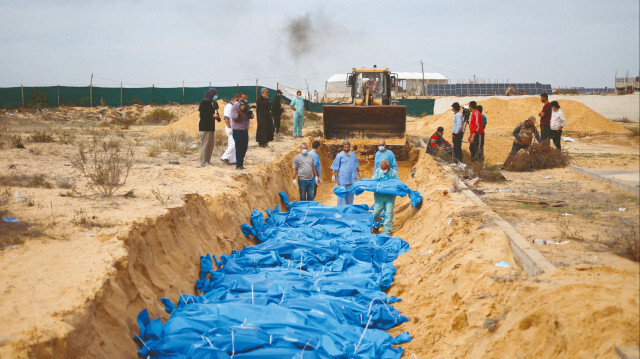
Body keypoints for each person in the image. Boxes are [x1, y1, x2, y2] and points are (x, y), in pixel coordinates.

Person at [371, 159, 398, 235]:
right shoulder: (378, 172)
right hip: (379, 197)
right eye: (381, 167)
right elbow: (373, 181)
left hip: (390, 197)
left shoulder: (394, 174)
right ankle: (377, 225)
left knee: (389, 213)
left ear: (389, 167)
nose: (383, 169)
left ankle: (387, 231)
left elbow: (396, 184)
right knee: (376, 213)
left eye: (384, 168)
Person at [330, 140, 361, 205]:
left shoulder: (353, 154)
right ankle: (340, 208)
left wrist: (359, 172)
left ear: (350, 147)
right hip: (343, 178)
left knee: (351, 193)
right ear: (343, 147)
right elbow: (335, 165)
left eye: (348, 147)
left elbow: (356, 164)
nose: (347, 149)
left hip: (352, 178)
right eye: (345, 147)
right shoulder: (339, 155)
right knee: (342, 193)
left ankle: (349, 207)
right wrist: (333, 175)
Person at [198, 88, 220, 168]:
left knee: (210, 145)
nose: (216, 96)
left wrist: (216, 116)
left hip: (210, 127)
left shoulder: (211, 103)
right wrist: (212, 115)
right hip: (205, 127)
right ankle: (203, 162)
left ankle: (207, 161)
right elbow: (202, 115)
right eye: (215, 95)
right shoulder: (205, 102)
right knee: (205, 145)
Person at [231, 92, 253, 170]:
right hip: (237, 131)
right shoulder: (235, 106)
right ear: (239, 99)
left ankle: (241, 164)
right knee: (239, 148)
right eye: (243, 99)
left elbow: (252, 116)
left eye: (246, 98)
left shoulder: (247, 106)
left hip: (245, 130)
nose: (245, 100)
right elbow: (234, 118)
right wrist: (240, 111)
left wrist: (249, 112)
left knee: (244, 148)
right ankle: (238, 165)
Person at [220, 94, 237, 165]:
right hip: (230, 127)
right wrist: (229, 128)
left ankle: (233, 160)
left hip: (234, 127)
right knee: (234, 143)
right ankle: (224, 157)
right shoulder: (228, 107)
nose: (237, 102)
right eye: (236, 100)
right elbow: (226, 118)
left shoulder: (234, 106)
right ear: (232, 99)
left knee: (231, 143)